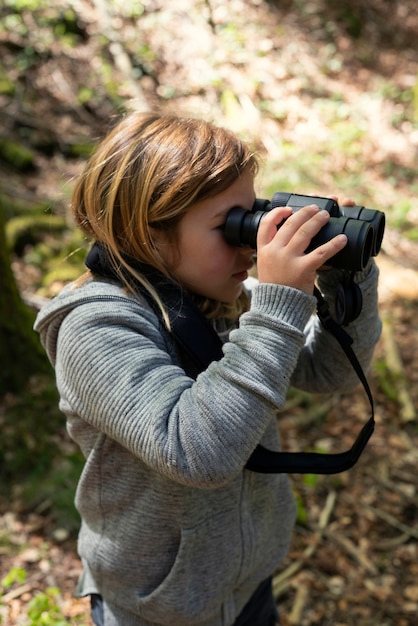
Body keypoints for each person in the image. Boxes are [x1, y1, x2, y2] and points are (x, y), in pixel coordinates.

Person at [34, 111, 381, 626]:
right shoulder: (95, 329)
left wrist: (343, 278)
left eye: (254, 216)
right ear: (149, 234)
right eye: (231, 226)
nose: (250, 243)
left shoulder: (230, 299)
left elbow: (328, 372)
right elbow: (198, 453)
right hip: (155, 608)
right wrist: (281, 304)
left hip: (248, 586)